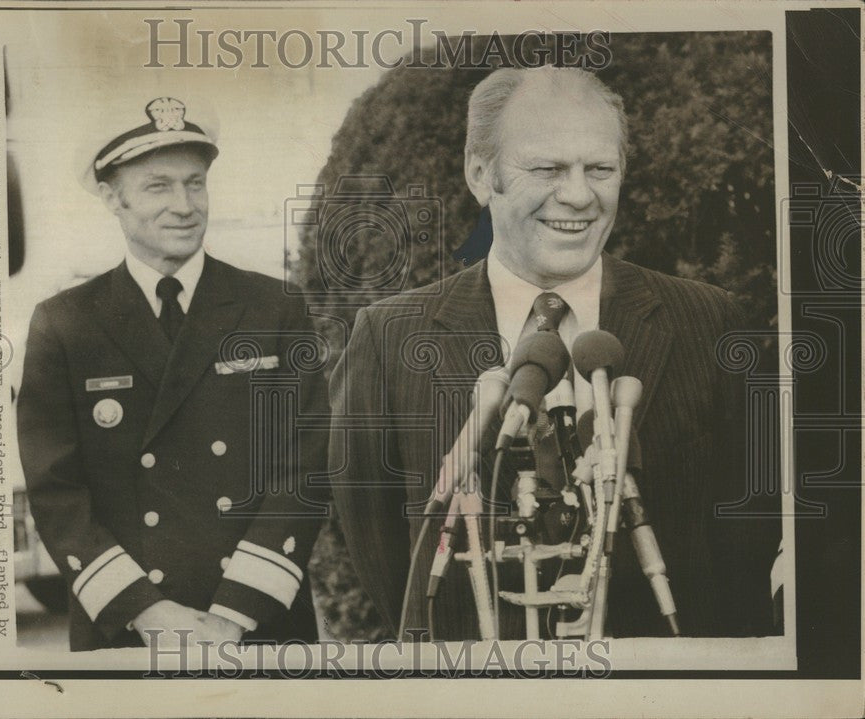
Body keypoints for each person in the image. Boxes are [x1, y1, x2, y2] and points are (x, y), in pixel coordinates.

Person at [329, 67, 779, 640]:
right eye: (547, 168)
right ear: (479, 174)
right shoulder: (386, 338)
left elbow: (748, 542)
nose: (578, 194)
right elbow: (387, 558)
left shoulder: (710, 321)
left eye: (600, 169)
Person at [17, 95, 329, 651]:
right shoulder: (66, 323)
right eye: (158, 186)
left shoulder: (273, 308)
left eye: (195, 183)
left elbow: (302, 471)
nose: (184, 205)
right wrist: (149, 613)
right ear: (113, 198)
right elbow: (57, 492)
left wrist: (234, 615)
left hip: (257, 622)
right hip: (129, 628)